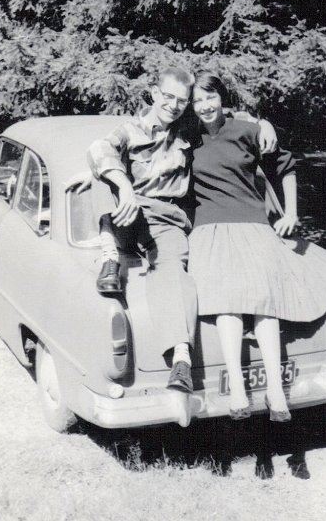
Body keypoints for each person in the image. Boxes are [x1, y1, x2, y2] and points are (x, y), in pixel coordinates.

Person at [86, 66, 278, 395]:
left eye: (181, 101)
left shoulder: (186, 128)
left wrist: (263, 122)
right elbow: (99, 150)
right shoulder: (129, 131)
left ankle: (181, 359)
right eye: (168, 97)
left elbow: (225, 113)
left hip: (166, 218)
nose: (174, 106)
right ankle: (109, 254)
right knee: (99, 173)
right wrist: (123, 185)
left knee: (173, 270)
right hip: (130, 210)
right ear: (154, 93)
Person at [188, 73, 326, 421]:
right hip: (209, 229)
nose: (204, 106)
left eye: (210, 98)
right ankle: (238, 392)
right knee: (228, 302)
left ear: (222, 98)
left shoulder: (247, 131)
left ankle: (275, 392)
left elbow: (285, 167)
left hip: (253, 224)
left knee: (265, 301)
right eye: (197, 101)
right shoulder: (186, 136)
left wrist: (292, 213)